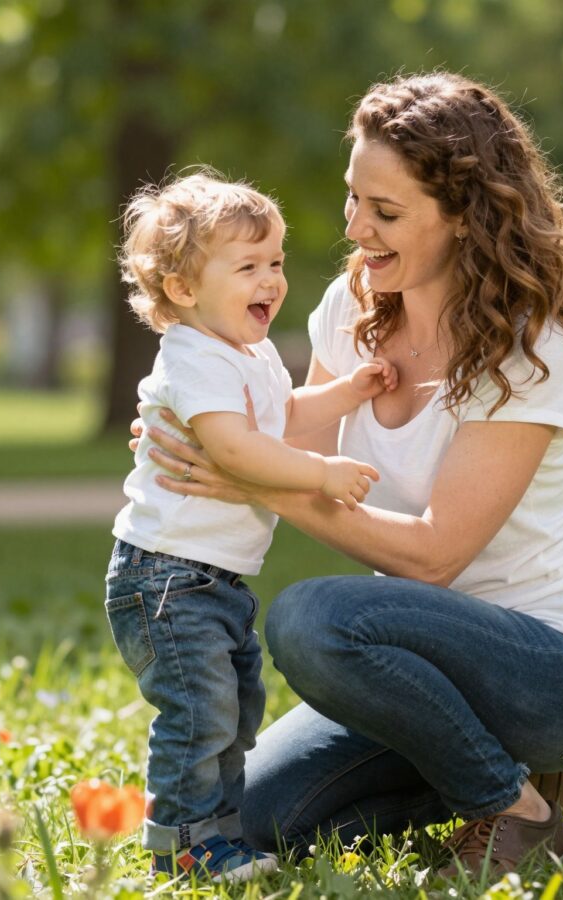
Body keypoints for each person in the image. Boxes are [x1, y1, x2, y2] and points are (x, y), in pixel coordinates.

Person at [131, 72, 563, 878]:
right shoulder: (349, 307)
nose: (357, 228)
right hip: (408, 669)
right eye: (354, 199)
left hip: (552, 670)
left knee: (312, 620)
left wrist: (251, 480)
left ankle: (513, 808)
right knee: (254, 818)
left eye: (386, 212)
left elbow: (435, 557)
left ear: (465, 215)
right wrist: (186, 426)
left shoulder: (527, 347)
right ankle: (488, 774)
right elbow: (271, 428)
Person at [107, 171, 398, 882]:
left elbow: (278, 417)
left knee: (236, 712)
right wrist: (321, 473)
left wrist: (343, 393)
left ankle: (220, 834)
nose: (271, 279)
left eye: (276, 262)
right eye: (248, 267)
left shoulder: (245, 352)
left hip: (210, 578)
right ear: (181, 289)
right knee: (200, 714)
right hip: (167, 577)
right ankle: (185, 844)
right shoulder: (194, 355)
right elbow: (237, 449)